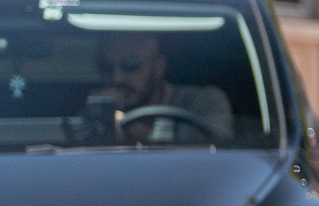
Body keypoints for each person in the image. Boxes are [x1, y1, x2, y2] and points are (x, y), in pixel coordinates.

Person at [94, 31, 232, 142]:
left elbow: (221, 149)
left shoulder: (204, 101)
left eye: (130, 66)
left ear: (158, 67)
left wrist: (134, 130)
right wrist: (98, 117)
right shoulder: (95, 112)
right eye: (106, 67)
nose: (117, 78)